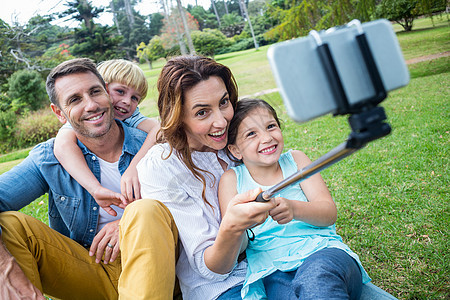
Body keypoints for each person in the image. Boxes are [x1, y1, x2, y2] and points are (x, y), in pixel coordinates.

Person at [0, 58, 179, 300]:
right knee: (10, 226)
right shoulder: (50, 157)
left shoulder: (152, 146)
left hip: (156, 266)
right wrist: (5, 269)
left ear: (106, 92)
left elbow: (193, 205)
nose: (91, 105)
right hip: (91, 268)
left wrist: (126, 225)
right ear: (59, 114)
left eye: (95, 92)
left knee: (145, 210)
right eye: (75, 100)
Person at [137, 55, 276, 300]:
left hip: (279, 263)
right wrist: (232, 226)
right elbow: (210, 270)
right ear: (178, 116)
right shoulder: (162, 166)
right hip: (223, 288)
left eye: (224, 102)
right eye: (202, 112)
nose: (221, 121)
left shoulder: (239, 138)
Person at [218, 98, 370, 299]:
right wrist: (243, 223)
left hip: (322, 253)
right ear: (235, 150)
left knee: (316, 281)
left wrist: (295, 209)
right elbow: (238, 244)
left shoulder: (296, 160)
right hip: (272, 271)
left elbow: (328, 213)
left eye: (271, 126)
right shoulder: (231, 180)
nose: (266, 138)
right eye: (251, 134)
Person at [54, 59, 160, 216]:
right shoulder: (79, 124)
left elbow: (161, 128)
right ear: (102, 88)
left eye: (135, 98)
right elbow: (62, 145)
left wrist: (134, 167)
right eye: (120, 92)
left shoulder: (130, 117)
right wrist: (94, 188)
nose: (127, 102)